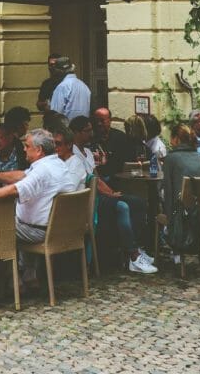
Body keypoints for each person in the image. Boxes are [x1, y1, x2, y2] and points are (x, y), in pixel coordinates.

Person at [0, 128, 70, 287]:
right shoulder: (57, 164)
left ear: (39, 150)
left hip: (39, 231)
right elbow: (22, 176)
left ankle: (5, 282)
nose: (23, 148)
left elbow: (16, 189)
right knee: (19, 217)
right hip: (59, 228)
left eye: (27, 146)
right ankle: (29, 275)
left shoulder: (43, 170)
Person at [70, 116, 156, 274]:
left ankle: (135, 247)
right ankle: (133, 256)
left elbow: (96, 175)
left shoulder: (88, 152)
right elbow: (90, 181)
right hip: (89, 198)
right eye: (87, 131)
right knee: (122, 206)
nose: (91, 134)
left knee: (139, 202)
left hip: (101, 192)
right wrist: (110, 193)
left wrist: (110, 191)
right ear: (76, 133)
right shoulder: (72, 154)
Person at [162, 122, 200, 271]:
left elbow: (168, 192)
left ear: (176, 139)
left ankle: (170, 249)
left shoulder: (171, 158)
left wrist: (169, 221)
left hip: (180, 215)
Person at [92, 106, 136, 184]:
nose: (99, 124)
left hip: (116, 179)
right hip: (96, 179)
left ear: (110, 120)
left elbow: (126, 163)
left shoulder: (120, 138)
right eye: (96, 121)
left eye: (102, 121)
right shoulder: (91, 138)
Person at [49, 57, 91, 121]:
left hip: (67, 129)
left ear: (59, 72)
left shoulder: (62, 87)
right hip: (83, 128)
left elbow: (55, 115)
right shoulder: (84, 86)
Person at [53, 127, 87, 191]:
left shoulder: (76, 164)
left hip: (68, 200)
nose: (54, 147)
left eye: (58, 144)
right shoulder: (56, 161)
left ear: (69, 145)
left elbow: (69, 189)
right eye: (53, 143)